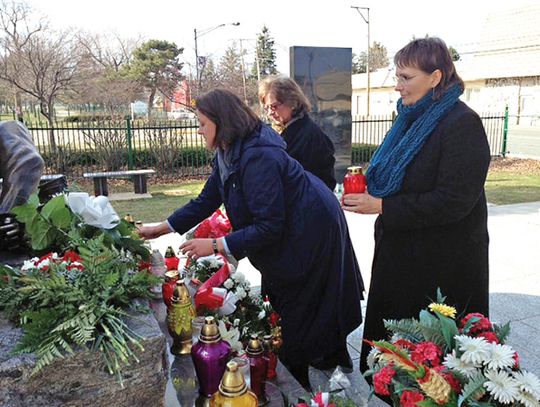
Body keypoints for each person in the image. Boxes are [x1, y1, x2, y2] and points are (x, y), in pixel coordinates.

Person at [138, 89, 364, 389]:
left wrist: (217, 245)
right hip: (299, 223)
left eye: (202, 123)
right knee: (299, 301)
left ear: (222, 122)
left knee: (300, 305)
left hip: (310, 229)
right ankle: (327, 356)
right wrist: (161, 228)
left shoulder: (257, 155)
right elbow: (207, 199)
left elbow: (270, 225)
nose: (199, 129)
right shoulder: (229, 149)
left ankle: (297, 386)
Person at [341, 37, 491, 374]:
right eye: (397, 77)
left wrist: (383, 206)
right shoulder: (410, 119)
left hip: (442, 264)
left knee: (432, 365)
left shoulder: (461, 123)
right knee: (394, 356)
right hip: (403, 254)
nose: (398, 86)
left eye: (406, 77)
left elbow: (455, 201)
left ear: (436, 77)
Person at [258, 76, 336, 191]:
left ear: (292, 102)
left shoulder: (310, 135)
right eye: (267, 108)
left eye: (274, 106)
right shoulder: (285, 131)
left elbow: (321, 181)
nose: (270, 113)